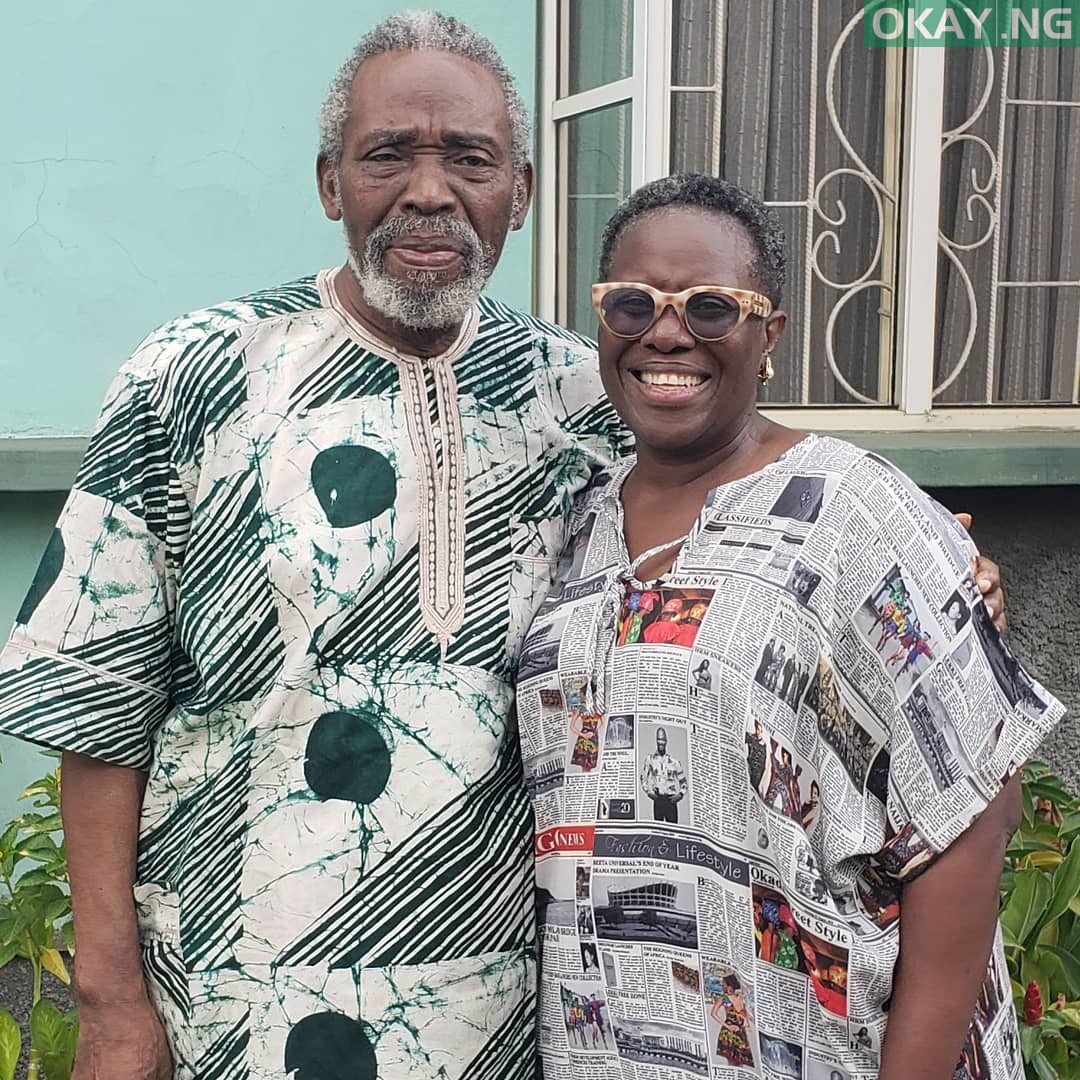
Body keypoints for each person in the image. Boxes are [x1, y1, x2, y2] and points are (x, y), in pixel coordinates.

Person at [0, 13, 626, 1080]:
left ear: (521, 192)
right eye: (387, 155)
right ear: (331, 182)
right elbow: (96, 701)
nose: (430, 192)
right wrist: (109, 1004)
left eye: (470, 160)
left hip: (510, 1004)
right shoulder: (192, 376)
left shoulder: (582, 401)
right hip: (239, 1001)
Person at [518, 174, 1055, 1079]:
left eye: (712, 308)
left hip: (824, 1048)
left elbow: (973, 817)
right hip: (606, 1045)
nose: (666, 333)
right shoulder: (574, 523)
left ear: (769, 336)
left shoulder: (856, 510)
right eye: (634, 303)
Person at [639, 726, 687, 822]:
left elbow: (683, 782)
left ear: (666, 741)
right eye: (659, 740)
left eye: (663, 740)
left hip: (670, 800)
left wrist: (680, 795)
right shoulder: (650, 760)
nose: (661, 743)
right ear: (656, 741)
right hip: (658, 799)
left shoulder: (674, 762)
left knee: (672, 828)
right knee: (658, 828)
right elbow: (643, 777)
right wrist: (648, 792)